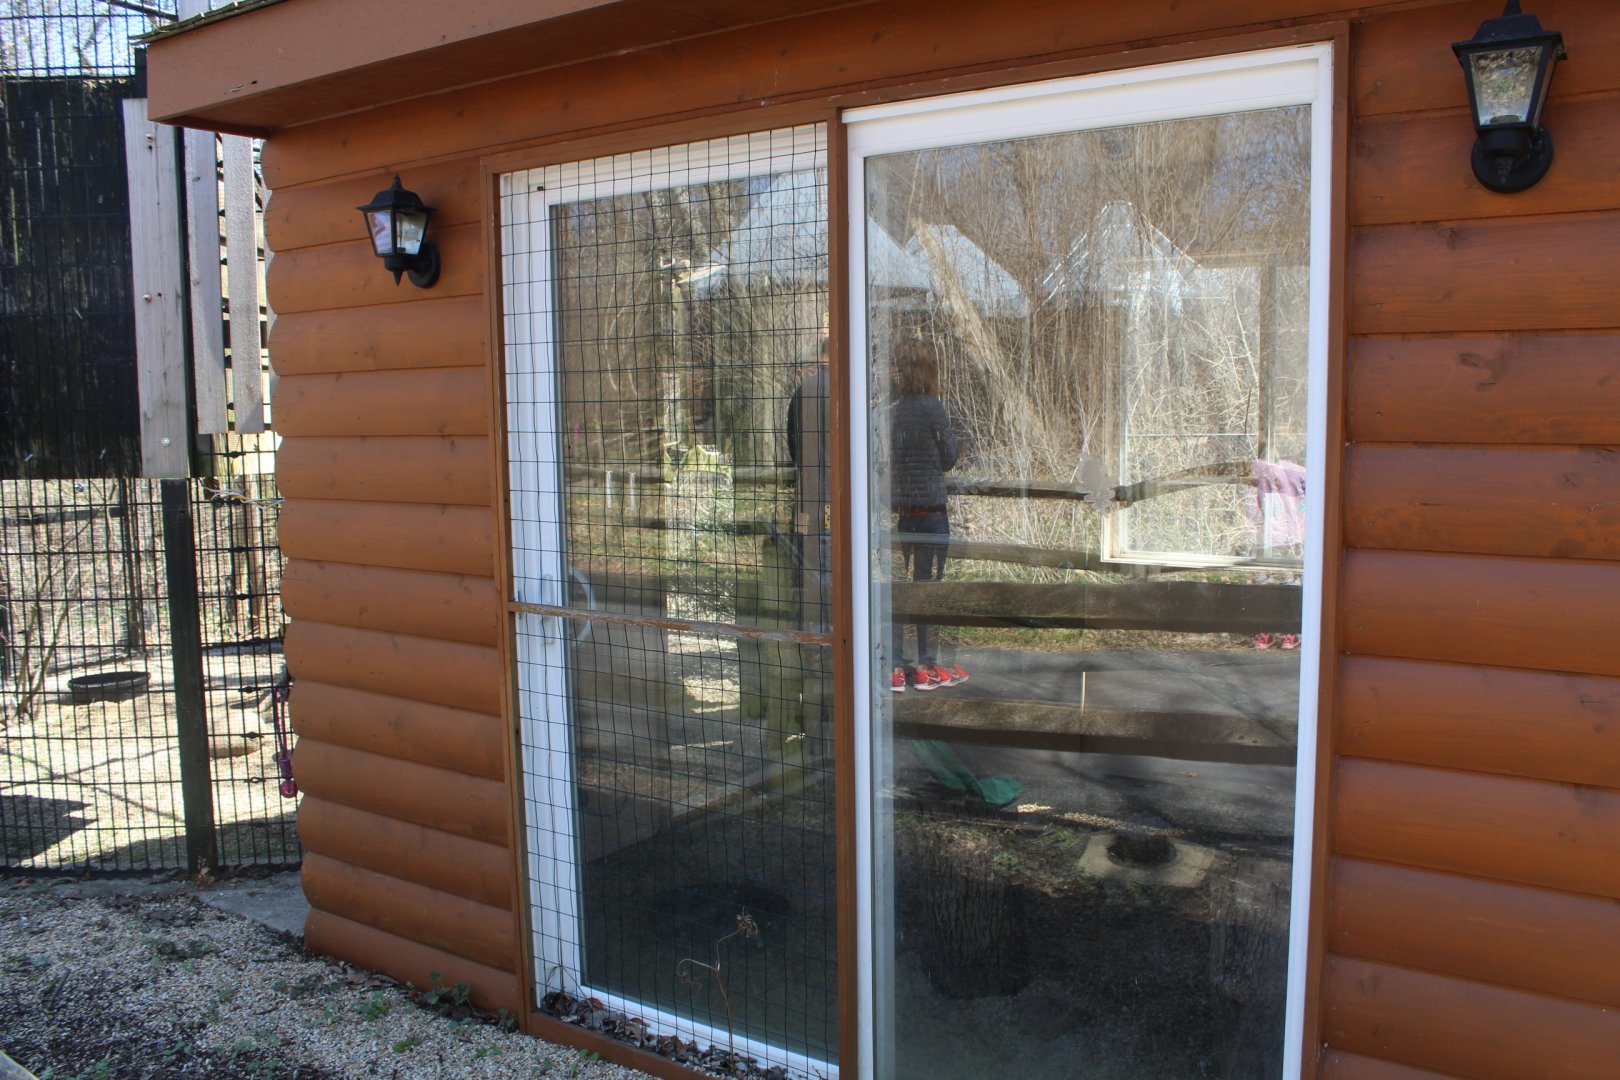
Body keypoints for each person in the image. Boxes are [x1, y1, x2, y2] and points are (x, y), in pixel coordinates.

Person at [888, 338, 969, 692]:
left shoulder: (892, 412)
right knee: (929, 591)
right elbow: (949, 456)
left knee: (901, 592)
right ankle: (926, 664)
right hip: (933, 512)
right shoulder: (933, 408)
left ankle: (895, 665)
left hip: (904, 512)